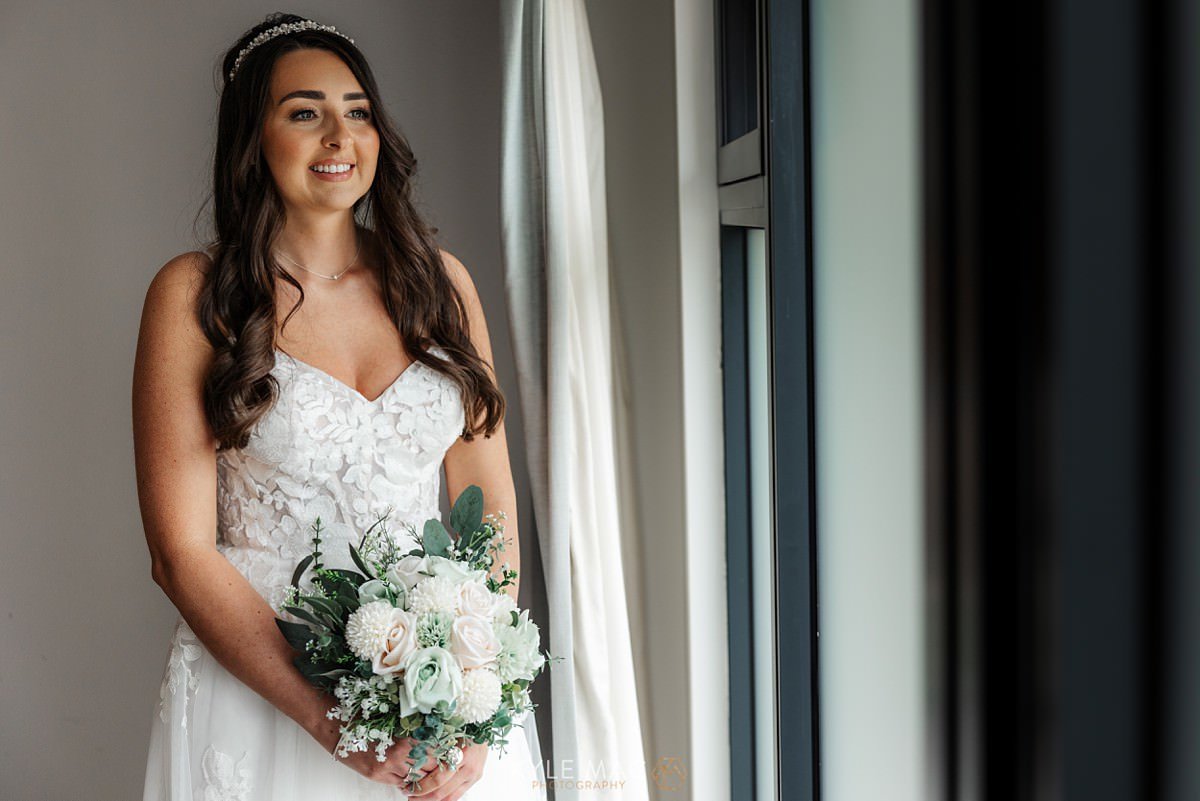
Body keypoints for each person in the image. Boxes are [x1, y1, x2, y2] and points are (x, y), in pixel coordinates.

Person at [134, 13, 546, 800]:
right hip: (266, 699)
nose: (339, 136)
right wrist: (331, 720)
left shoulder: (441, 284)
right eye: (304, 112)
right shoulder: (195, 297)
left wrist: (473, 696)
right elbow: (179, 553)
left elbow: (488, 509)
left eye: (357, 111)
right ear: (252, 138)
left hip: (437, 705)